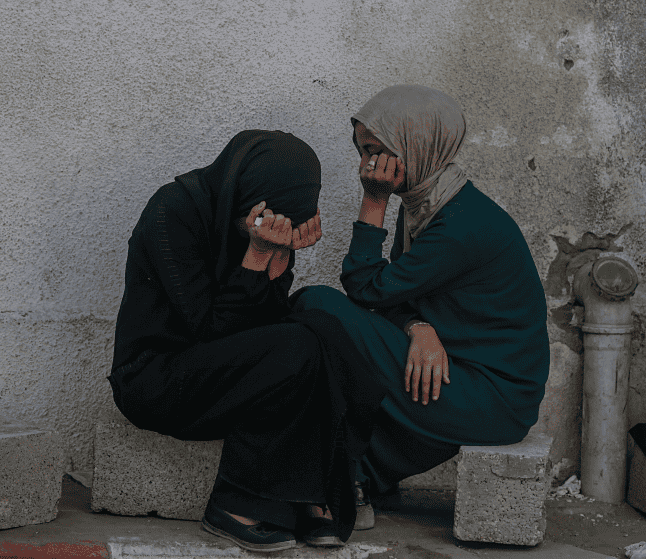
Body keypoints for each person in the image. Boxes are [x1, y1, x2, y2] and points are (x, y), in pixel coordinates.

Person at [107, 130, 385, 551]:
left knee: (325, 328)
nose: (276, 228)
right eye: (268, 219)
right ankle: (235, 504)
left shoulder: (251, 223)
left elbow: (260, 324)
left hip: (215, 375)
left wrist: (279, 258)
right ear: (243, 192)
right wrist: (257, 256)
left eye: (287, 225)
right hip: (155, 379)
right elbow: (210, 332)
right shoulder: (172, 213)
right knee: (296, 347)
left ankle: (317, 489)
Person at [291, 85, 550, 528]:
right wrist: (418, 327)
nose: (366, 167)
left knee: (315, 305)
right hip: (466, 375)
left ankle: (350, 477)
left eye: (376, 152)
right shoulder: (427, 206)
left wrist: (373, 199)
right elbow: (395, 298)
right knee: (375, 354)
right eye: (363, 152)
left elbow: (365, 287)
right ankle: (357, 476)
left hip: (492, 396)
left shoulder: (461, 225)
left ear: (417, 146)